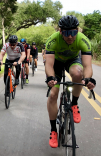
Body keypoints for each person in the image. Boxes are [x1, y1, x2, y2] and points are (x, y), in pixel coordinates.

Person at [45, 15, 96, 148]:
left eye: (73, 32)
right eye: (66, 33)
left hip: (72, 61)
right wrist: (51, 78)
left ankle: (74, 104)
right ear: (60, 31)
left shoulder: (83, 40)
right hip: (56, 63)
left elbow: (87, 66)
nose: (70, 37)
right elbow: (49, 65)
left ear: (78, 30)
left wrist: (88, 78)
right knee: (52, 95)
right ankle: (53, 131)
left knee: (78, 74)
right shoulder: (53, 40)